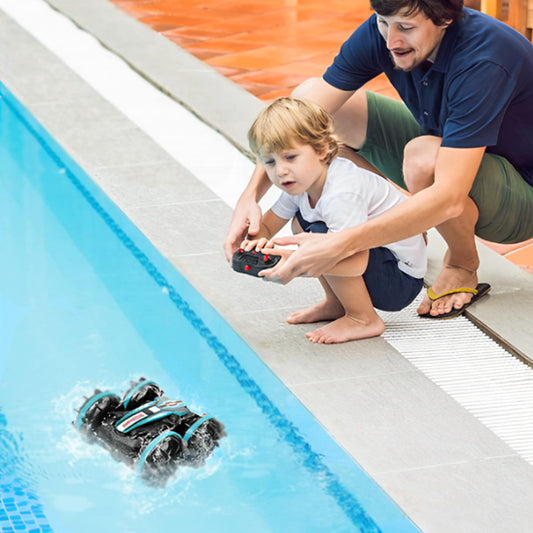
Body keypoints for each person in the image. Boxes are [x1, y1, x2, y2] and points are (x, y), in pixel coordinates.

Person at [224, 0, 533, 319]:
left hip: (523, 196)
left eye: (406, 28)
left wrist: (339, 244)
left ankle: (462, 264)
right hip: (454, 149)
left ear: (443, 20)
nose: (391, 41)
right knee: (312, 103)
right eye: (384, 22)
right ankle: (412, 225)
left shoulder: (485, 58)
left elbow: (449, 198)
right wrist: (249, 199)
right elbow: (297, 123)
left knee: (422, 158)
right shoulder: (386, 29)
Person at [238, 97, 426, 343]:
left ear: (322, 149)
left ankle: (363, 318)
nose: (280, 171)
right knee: (303, 224)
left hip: (399, 279)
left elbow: (354, 263)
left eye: (290, 157)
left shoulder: (341, 193)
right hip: (374, 257)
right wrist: (253, 243)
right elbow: (268, 225)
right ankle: (337, 303)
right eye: (270, 162)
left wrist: (296, 264)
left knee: (319, 236)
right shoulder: (303, 182)